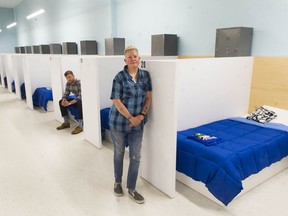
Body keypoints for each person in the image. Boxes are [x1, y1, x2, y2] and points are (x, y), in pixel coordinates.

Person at [109, 45, 152, 204]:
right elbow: (116, 101)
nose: (133, 59)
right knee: (119, 153)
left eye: (136, 56)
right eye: (130, 57)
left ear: (139, 59)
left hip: (138, 124)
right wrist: (130, 118)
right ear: (125, 60)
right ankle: (117, 182)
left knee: (135, 156)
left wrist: (141, 115)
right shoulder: (119, 77)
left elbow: (148, 98)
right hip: (119, 123)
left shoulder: (145, 76)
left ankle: (132, 188)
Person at [56, 70, 83, 135]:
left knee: (79, 103)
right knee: (60, 101)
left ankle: (80, 126)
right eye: (67, 78)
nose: (68, 79)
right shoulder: (68, 83)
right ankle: (66, 123)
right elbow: (66, 93)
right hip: (77, 99)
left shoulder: (79, 83)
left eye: (70, 77)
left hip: (83, 100)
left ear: (73, 76)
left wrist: (70, 103)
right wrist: (64, 99)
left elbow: (81, 96)